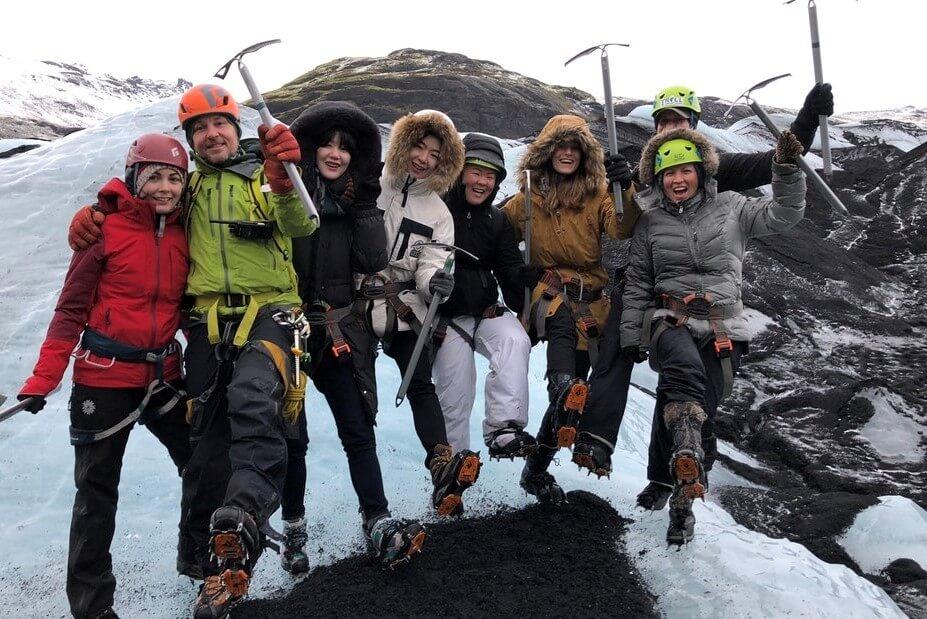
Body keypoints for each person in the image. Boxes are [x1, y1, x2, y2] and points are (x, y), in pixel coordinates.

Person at [67, 84, 319, 617]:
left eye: (220, 124)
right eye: (199, 128)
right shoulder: (191, 187)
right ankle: (206, 568)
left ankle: (244, 518)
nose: (211, 134)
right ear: (192, 139)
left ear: (237, 127)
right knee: (204, 446)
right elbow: (143, 207)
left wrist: (282, 182)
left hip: (270, 312)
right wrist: (96, 213)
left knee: (253, 404)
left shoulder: (263, 176)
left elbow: (301, 225)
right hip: (207, 325)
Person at [571, 83, 834, 509]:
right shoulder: (642, 171)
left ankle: (676, 482)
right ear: (653, 128)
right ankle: (596, 440)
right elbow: (614, 218)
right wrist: (619, 184)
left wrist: (805, 120)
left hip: (715, 309)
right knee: (623, 356)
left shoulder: (719, 175)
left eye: (679, 121)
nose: (671, 130)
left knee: (690, 394)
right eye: (664, 122)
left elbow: (773, 166)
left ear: (695, 127)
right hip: (656, 293)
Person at [20, 133, 192, 619]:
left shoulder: (186, 231)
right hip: (104, 378)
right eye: (154, 176)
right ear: (135, 179)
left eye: (174, 177)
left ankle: (200, 564)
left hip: (164, 374)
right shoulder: (104, 233)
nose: (164, 187)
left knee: (200, 463)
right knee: (96, 496)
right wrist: (43, 379)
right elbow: (70, 311)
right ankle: (93, 609)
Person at [620, 126, 806, 543]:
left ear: (702, 171)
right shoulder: (649, 222)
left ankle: (680, 500)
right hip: (669, 319)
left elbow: (784, 214)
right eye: (668, 173)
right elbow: (637, 280)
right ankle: (680, 466)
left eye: (685, 170)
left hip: (725, 326)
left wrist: (787, 169)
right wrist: (633, 334)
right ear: (657, 178)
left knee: (698, 408)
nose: (677, 180)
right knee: (684, 372)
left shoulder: (734, 207)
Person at [286, 100, 425, 570]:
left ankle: (377, 518)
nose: (334, 153)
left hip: (341, 328)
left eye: (345, 148)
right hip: (288, 330)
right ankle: (293, 526)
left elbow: (371, 261)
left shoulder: (358, 201)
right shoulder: (286, 197)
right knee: (292, 436)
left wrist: (364, 203)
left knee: (357, 429)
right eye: (325, 143)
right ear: (309, 148)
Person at [501, 114, 634, 503]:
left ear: (585, 154)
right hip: (547, 291)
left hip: (592, 304)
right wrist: (512, 279)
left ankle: (536, 470)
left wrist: (625, 187)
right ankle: (560, 385)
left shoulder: (597, 197)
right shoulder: (524, 202)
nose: (567, 152)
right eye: (560, 145)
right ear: (546, 151)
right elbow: (496, 238)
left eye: (575, 146)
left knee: (572, 403)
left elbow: (621, 227)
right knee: (560, 331)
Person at [354, 109, 481, 517]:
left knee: (420, 382)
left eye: (434, 153)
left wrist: (434, 284)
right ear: (402, 144)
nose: (423, 158)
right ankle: (373, 508)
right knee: (356, 399)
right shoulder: (369, 185)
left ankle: (441, 464)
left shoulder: (439, 215)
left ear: (444, 163)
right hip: (353, 304)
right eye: (418, 146)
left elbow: (433, 264)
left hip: (405, 305)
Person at [432, 132, 535, 461]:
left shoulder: (498, 220)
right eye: (475, 172)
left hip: (487, 311)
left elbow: (507, 266)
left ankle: (504, 429)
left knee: (514, 341)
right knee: (455, 393)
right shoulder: (437, 211)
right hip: (446, 318)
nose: (482, 182)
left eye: (490, 176)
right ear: (460, 172)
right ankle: (452, 467)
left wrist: (522, 283)